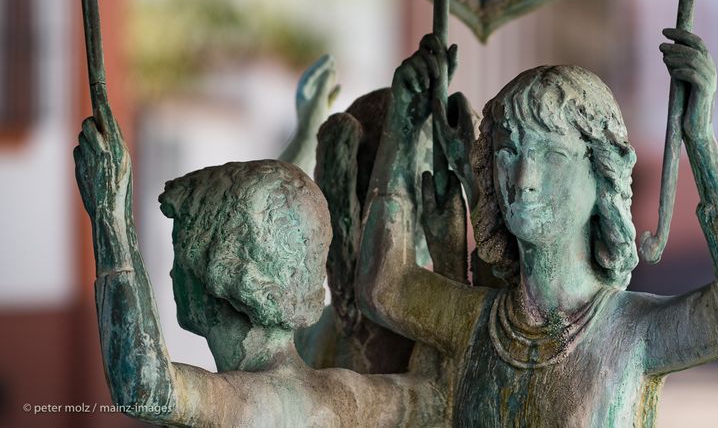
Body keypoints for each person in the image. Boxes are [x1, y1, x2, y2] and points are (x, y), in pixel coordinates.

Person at [359, 31, 718, 427]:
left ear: (601, 177)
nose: (525, 176)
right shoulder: (475, 322)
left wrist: (700, 142)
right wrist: (402, 122)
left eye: (553, 155)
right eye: (509, 151)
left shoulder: (631, 332)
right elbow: (384, 285)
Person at [74, 84, 442, 427]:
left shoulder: (254, 401)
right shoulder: (343, 394)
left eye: (179, 257)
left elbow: (143, 385)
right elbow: (433, 393)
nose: (171, 276)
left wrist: (109, 214)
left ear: (219, 275)